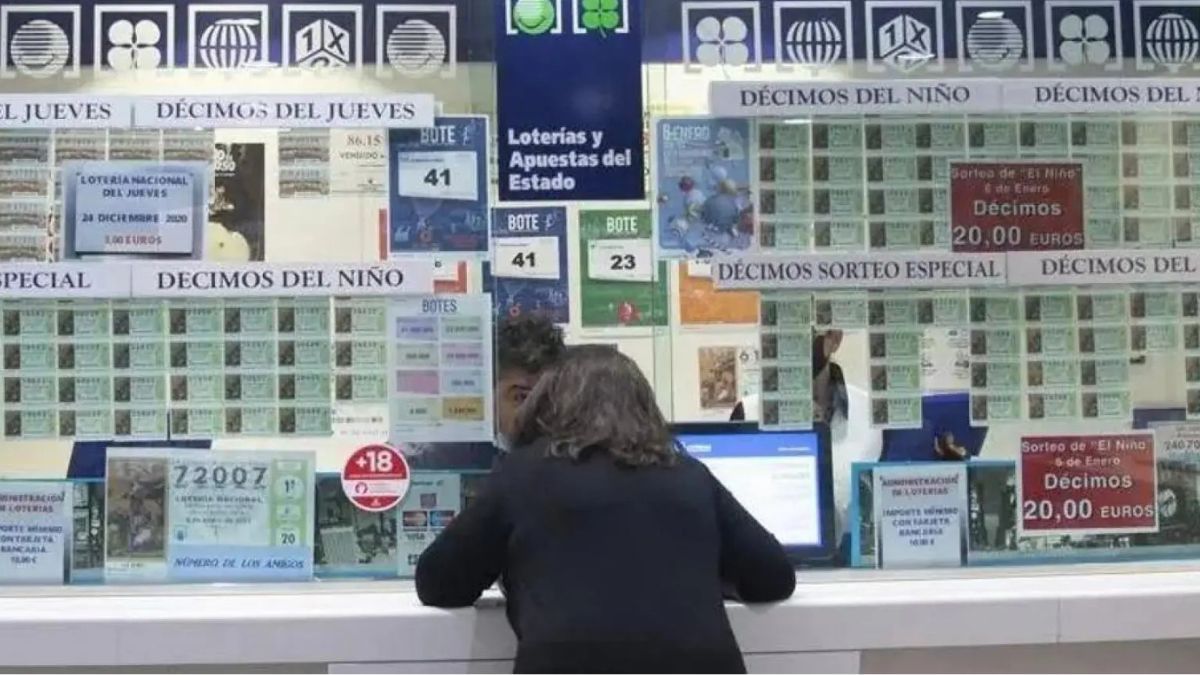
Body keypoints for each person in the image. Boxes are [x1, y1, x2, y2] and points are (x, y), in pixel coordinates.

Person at [415, 345, 795, 674]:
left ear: (548, 402)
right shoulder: (688, 475)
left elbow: (439, 583)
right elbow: (773, 576)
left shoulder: (522, 475)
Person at [405, 313, 565, 470]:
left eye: (547, 398)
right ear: (488, 395)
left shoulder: (570, 463)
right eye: (521, 397)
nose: (535, 413)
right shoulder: (447, 462)